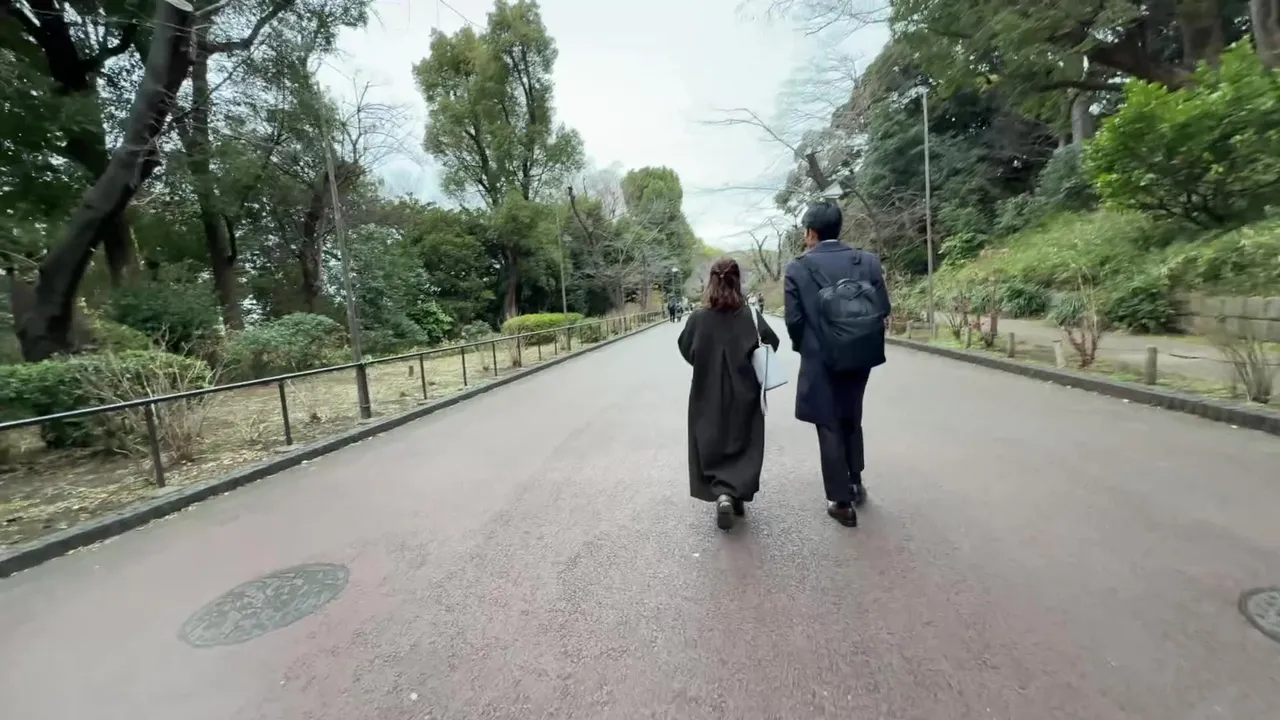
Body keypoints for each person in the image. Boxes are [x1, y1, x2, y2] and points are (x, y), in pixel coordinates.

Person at [783, 202, 890, 528]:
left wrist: (806, 347)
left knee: (828, 423)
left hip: (820, 357)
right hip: (859, 353)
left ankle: (840, 502)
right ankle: (855, 480)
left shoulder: (797, 268)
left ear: (810, 233)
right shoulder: (866, 261)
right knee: (851, 415)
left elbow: (794, 320)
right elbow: (883, 307)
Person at [678, 257, 780, 530]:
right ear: (738, 280)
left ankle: (721, 492)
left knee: (711, 439)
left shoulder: (698, 319)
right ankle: (735, 492)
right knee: (744, 440)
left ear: (710, 281)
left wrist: (708, 362)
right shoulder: (750, 316)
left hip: (707, 389)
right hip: (744, 390)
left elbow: (686, 348)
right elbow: (771, 343)